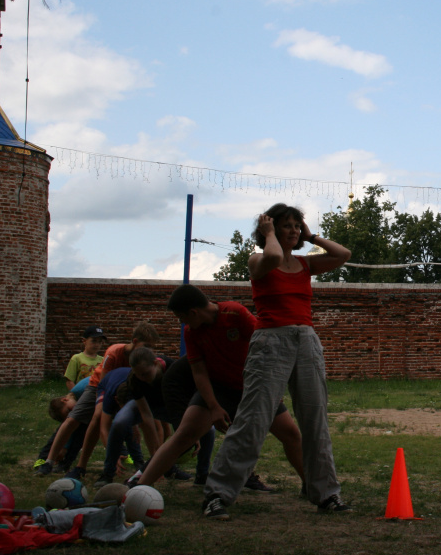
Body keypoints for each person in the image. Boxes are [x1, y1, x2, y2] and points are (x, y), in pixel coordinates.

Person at [202, 204, 352, 519]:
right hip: (271, 341)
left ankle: (326, 494)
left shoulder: (305, 264)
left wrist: (313, 236)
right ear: (270, 228)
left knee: (315, 420)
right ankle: (217, 494)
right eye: (287, 225)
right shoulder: (257, 260)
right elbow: (271, 257)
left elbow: (343, 254)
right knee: (253, 418)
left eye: (298, 225)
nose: (294, 230)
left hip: (307, 341)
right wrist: (269, 234)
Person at [130, 284, 304, 494]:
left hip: (254, 387)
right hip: (219, 389)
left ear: (193, 312)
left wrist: (271, 388)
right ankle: (139, 488)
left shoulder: (235, 313)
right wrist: (213, 406)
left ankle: (310, 485)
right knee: (183, 435)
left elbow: (267, 347)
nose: (182, 322)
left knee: (291, 434)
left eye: (181, 317)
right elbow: (199, 372)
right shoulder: (191, 332)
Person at [37, 322, 160, 479]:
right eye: (146, 345)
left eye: (152, 347)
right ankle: (50, 461)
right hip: (98, 386)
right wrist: (100, 408)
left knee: (143, 421)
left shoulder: (142, 358)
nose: (149, 350)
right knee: (78, 419)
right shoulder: (114, 352)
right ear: (135, 341)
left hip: (121, 390)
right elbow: (103, 385)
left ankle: (154, 463)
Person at [33, 377, 90, 473]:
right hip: (86, 414)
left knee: (80, 434)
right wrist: (64, 447)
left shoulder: (80, 391)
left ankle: (64, 462)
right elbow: (69, 429)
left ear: (65, 400)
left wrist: (64, 448)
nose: (72, 412)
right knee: (63, 431)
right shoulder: (74, 401)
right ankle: (44, 459)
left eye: (69, 409)